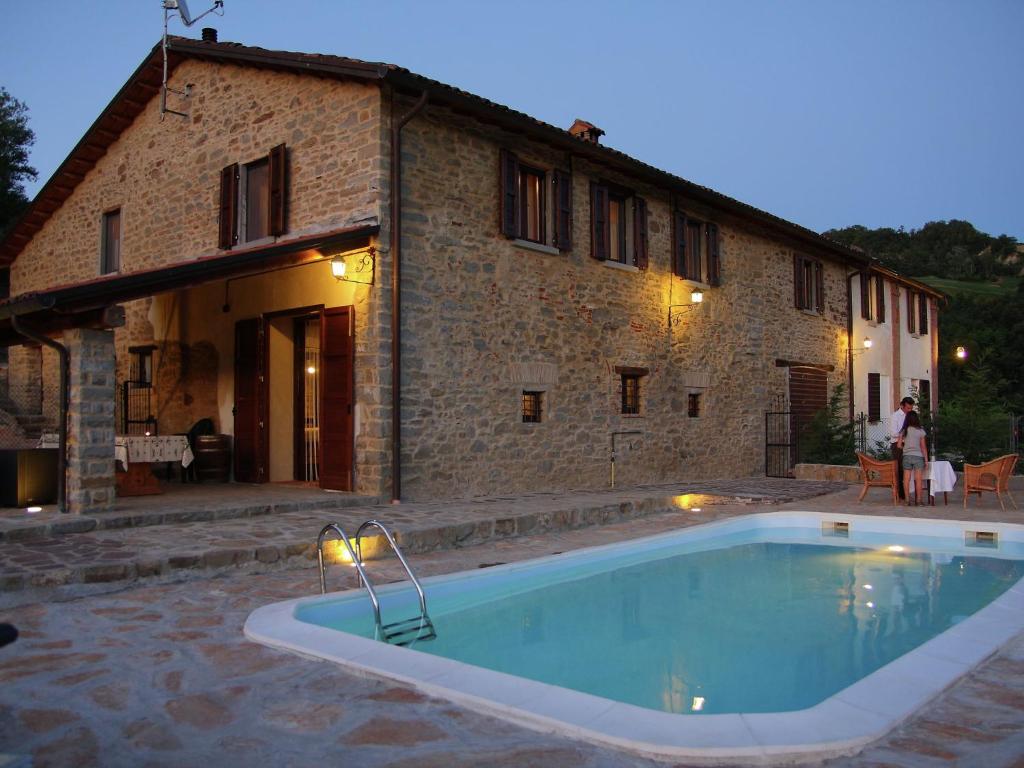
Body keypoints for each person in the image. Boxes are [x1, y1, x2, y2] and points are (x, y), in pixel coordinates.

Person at [897, 410, 928, 506]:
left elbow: (898, 445)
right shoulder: (921, 430)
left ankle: (907, 500)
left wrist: (905, 448)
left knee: (906, 479)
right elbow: (923, 447)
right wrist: (926, 460)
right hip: (918, 457)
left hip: (907, 456)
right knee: (918, 480)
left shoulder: (904, 430)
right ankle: (919, 501)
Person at [889, 397, 915, 499]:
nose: (909, 410)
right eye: (908, 408)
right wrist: (904, 434)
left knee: (907, 469)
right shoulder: (895, 416)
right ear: (902, 406)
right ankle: (900, 494)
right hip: (897, 445)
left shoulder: (910, 416)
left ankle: (907, 491)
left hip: (908, 444)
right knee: (899, 469)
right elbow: (893, 433)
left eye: (911, 408)